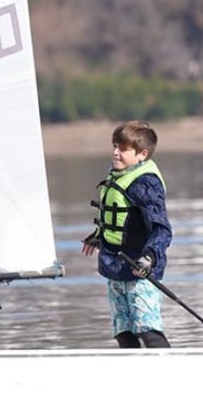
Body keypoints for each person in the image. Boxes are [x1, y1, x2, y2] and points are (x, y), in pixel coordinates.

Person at [82, 120, 172, 348]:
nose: (115, 152)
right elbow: (120, 219)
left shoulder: (145, 183)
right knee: (123, 333)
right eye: (114, 146)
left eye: (122, 149)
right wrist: (99, 235)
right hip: (115, 266)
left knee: (148, 331)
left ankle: (169, 372)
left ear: (142, 154)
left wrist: (150, 257)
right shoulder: (117, 175)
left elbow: (161, 228)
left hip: (141, 269)